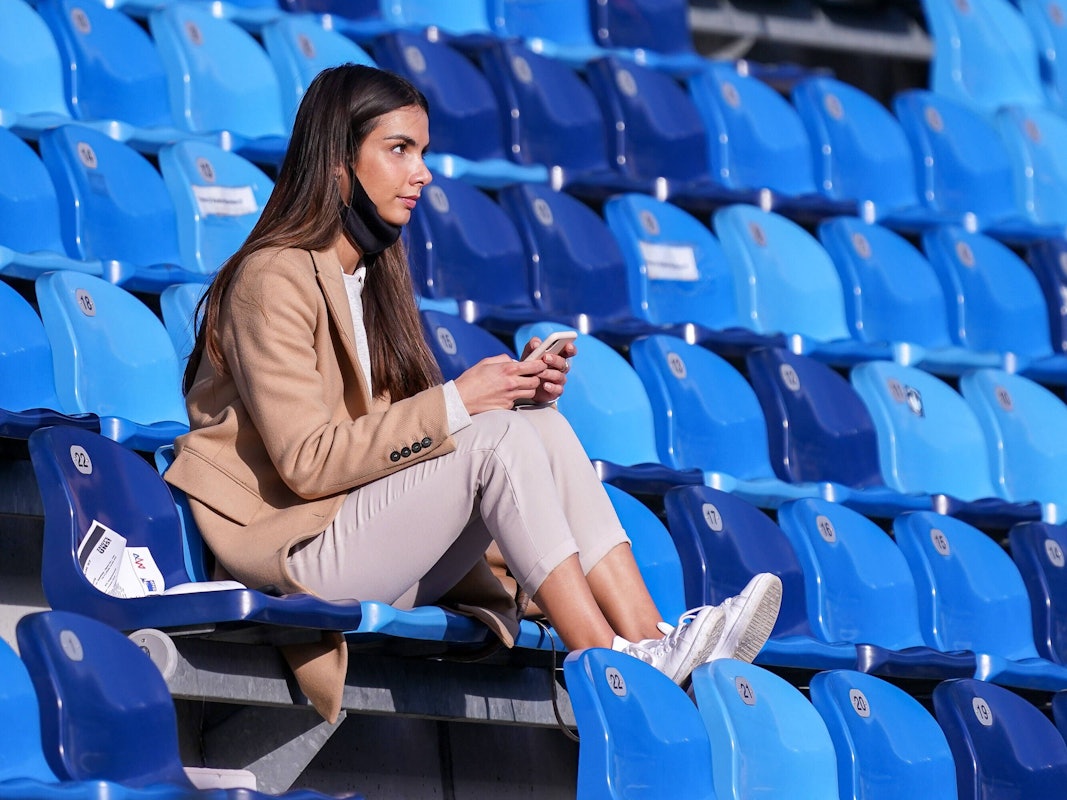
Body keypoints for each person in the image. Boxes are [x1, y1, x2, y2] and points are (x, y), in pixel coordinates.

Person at [163, 64, 782, 723]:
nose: (421, 173)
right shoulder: (272, 277)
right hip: (300, 552)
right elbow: (308, 462)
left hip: (368, 537)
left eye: (422, 152)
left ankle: (651, 640)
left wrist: (512, 394)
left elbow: (409, 456)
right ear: (338, 160)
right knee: (498, 435)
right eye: (398, 150)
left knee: (538, 426)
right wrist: (460, 401)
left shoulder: (371, 281)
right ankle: (605, 665)